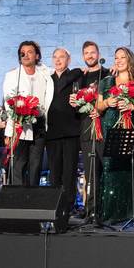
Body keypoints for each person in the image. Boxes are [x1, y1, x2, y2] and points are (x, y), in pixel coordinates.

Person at [94, 46, 134, 223]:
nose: (118, 61)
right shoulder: (106, 82)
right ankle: (112, 214)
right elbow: (98, 107)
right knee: (110, 168)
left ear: (129, 60)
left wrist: (131, 107)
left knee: (132, 168)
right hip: (110, 127)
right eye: (116, 58)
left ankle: (133, 213)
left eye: (122, 57)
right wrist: (107, 102)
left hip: (133, 127)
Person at [68, 41, 111, 219]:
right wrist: (74, 103)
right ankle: (91, 209)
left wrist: (100, 108)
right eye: (86, 53)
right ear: (83, 56)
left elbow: (111, 98)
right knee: (90, 172)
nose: (90, 56)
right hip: (86, 128)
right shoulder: (80, 77)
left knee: (106, 170)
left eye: (92, 52)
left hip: (104, 127)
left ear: (98, 53)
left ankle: (107, 209)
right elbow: (76, 102)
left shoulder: (108, 74)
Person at [2, 41, 54, 186]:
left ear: (37, 56)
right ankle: (18, 200)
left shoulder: (45, 73)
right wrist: (9, 131)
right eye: (22, 52)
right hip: (20, 125)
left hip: (39, 124)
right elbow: (8, 102)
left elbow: (60, 70)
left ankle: (33, 199)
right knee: (19, 165)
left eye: (30, 51)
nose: (25, 55)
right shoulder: (12, 75)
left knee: (35, 165)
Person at [46, 48, 84, 215]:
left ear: (68, 60)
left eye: (61, 57)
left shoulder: (76, 76)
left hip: (71, 131)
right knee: (54, 171)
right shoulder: (47, 79)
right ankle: (54, 204)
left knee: (69, 171)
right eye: (55, 57)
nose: (58, 60)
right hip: (52, 132)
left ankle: (69, 206)